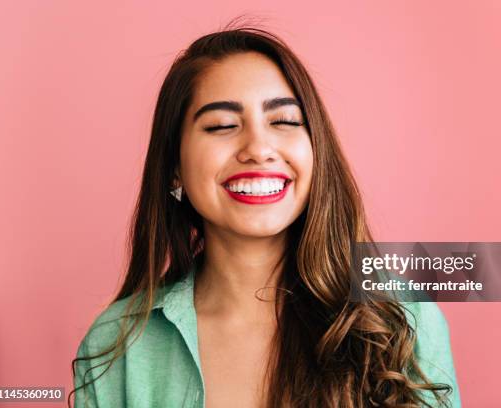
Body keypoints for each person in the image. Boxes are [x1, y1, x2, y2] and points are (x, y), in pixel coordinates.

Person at [70, 23, 462, 408]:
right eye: (222, 125)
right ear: (175, 167)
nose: (259, 148)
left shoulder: (402, 317)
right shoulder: (116, 346)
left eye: (285, 121)